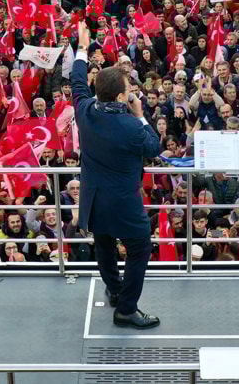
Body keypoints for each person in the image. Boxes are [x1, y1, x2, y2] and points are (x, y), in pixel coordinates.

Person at [71, 22, 161, 329]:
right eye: (129, 89)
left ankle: (114, 287)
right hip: (124, 203)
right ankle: (126, 309)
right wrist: (141, 115)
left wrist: (82, 47)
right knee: (140, 248)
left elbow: (77, 80)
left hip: (94, 199)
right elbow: (154, 146)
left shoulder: (84, 110)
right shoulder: (132, 127)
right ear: (121, 97)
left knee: (105, 244)